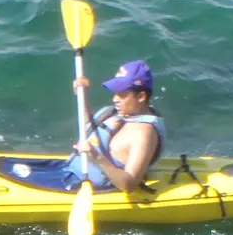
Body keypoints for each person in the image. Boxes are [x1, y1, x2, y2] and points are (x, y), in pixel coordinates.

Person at [70, 59, 165, 195]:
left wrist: (96, 157)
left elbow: (130, 184)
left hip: (86, 186)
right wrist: (82, 96)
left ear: (141, 96)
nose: (115, 99)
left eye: (122, 94)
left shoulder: (144, 133)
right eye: (115, 93)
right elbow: (93, 130)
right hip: (71, 173)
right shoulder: (121, 114)